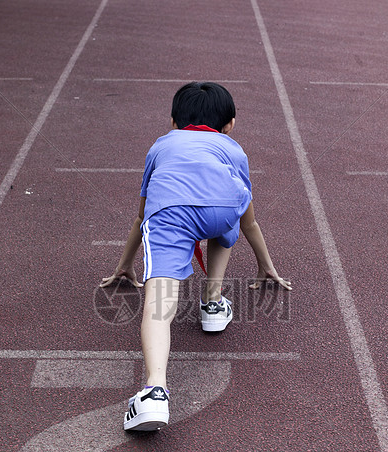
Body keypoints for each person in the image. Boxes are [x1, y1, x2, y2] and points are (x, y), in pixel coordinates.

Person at [99, 81, 291, 432]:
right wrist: (266, 265)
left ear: (173, 121)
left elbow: (142, 217)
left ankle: (154, 391)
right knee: (225, 220)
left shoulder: (161, 146)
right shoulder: (233, 150)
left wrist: (125, 264)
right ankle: (213, 303)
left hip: (170, 214)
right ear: (230, 123)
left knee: (159, 307)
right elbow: (247, 219)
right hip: (222, 210)